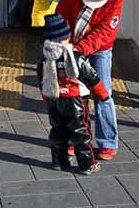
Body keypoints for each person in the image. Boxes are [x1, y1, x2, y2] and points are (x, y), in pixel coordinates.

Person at [56, 0, 127, 160]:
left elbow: (105, 32)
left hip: (100, 48)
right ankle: (75, 139)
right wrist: (64, 42)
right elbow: (63, 13)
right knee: (73, 93)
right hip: (70, 43)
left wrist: (80, 50)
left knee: (103, 92)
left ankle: (107, 142)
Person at [37, 14, 109, 175]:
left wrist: (46, 100)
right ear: (65, 37)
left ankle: (59, 162)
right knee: (81, 133)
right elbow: (91, 78)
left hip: (54, 100)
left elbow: (42, 83)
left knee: (58, 132)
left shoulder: (44, 60)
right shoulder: (75, 57)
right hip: (75, 100)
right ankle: (87, 164)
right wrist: (103, 96)